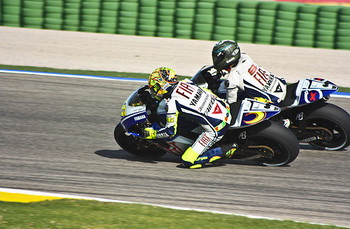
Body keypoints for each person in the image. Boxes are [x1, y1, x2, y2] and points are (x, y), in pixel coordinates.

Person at [142, 67, 236, 169]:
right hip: (224, 107)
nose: (154, 91)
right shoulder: (185, 82)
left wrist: (152, 134)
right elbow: (204, 90)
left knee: (187, 161)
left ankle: (224, 150)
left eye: (155, 88)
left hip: (217, 127)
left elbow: (170, 131)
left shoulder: (172, 103)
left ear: (163, 85)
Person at [200, 40, 287, 105]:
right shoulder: (245, 57)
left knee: (222, 93)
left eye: (218, 58)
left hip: (273, 100)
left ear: (228, 56)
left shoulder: (232, 79)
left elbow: (231, 104)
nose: (216, 61)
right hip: (280, 86)